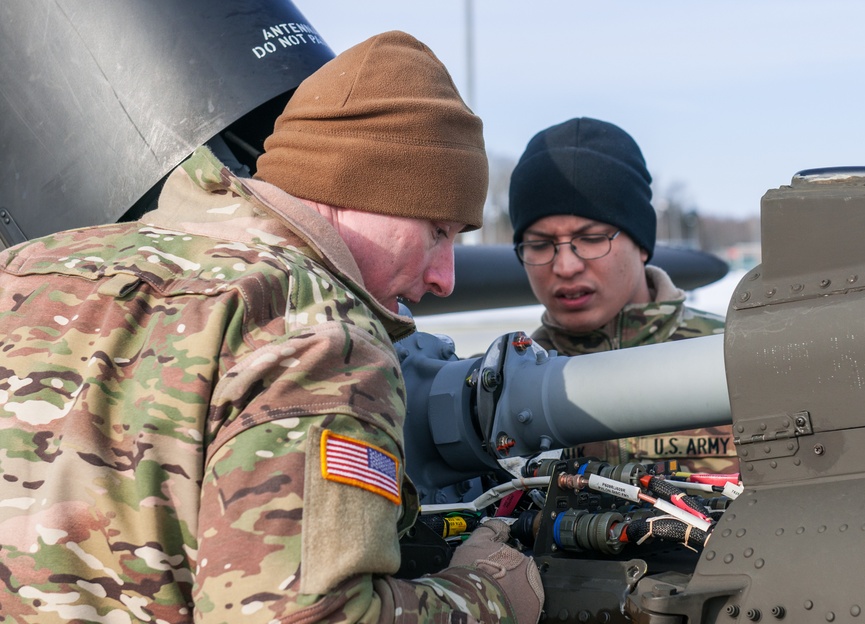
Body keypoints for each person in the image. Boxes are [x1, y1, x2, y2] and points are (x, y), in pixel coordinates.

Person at [0, 31, 542, 624]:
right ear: (359, 187)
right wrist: (491, 594)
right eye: (438, 230)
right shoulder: (317, 336)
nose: (446, 278)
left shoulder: (29, 265)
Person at [508, 117, 736, 475]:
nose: (565, 266)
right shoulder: (501, 390)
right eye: (540, 245)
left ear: (641, 244)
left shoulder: (731, 358)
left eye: (592, 238)